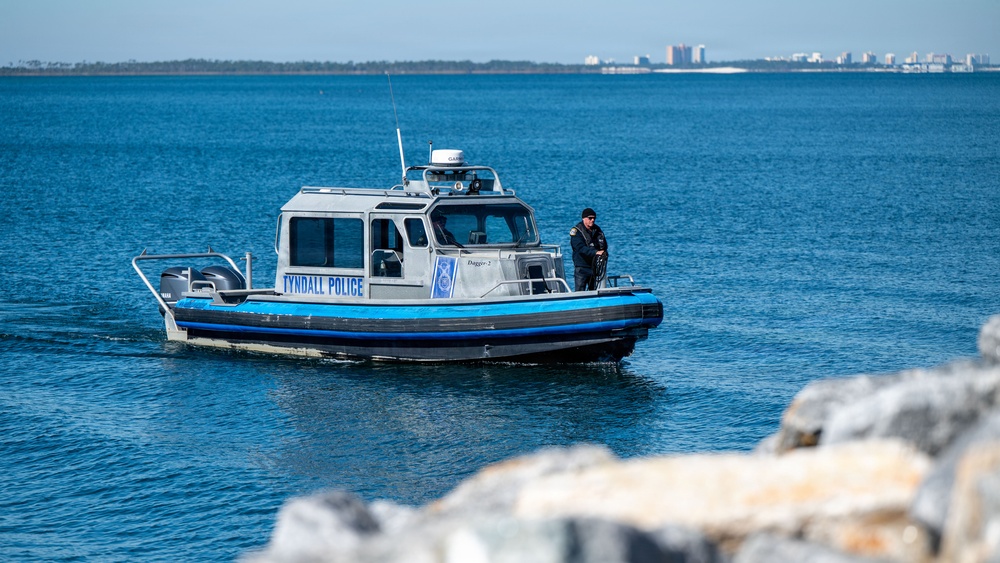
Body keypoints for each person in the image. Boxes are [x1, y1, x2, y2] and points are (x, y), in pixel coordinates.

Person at [569, 207, 607, 291]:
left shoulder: (597, 230)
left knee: (594, 290)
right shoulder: (577, 231)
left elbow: (604, 245)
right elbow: (579, 248)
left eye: (594, 218)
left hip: (594, 267)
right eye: (590, 218)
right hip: (581, 267)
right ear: (584, 219)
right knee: (580, 291)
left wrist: (604, 253)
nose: (592, 220)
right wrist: (595, 252)